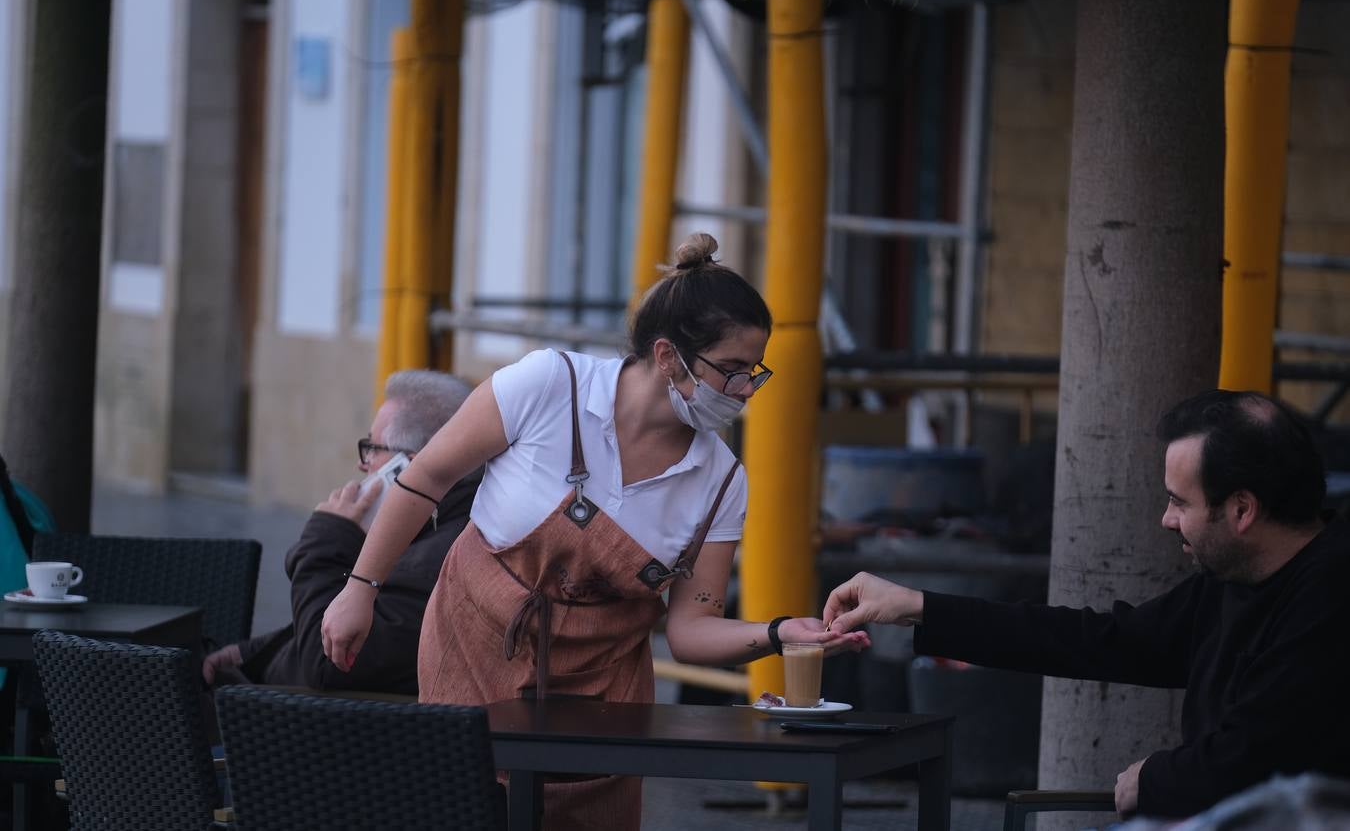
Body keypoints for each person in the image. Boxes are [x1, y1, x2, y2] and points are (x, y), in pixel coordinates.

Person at [322, 233, 869, 829]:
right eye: (731, 370)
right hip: (473, 651)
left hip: (604, 700)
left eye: (754, 373)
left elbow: (690, 631)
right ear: (667, 356)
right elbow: (425, 478)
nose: (743, 390)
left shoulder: (720, 481)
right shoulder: (546, 385)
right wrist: (360, 588)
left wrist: (780, 629)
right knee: (462, 811)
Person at [824, 389, 1350, 821]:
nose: (1166, 520)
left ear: (1241, 509)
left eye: (1179, 502)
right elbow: (1103, 641)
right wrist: (917, 605)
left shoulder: (1329, 598)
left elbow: (1255, 758)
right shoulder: (1238, 575)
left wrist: (1155, 777)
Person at [202, 370, 482, 695]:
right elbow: (362, 619)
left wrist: (327, 540)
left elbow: (329, 665)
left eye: (373, 449)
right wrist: (254, 652)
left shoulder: (443, 557)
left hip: (302, 728)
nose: (363, 466)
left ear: (413, 467)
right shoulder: (443, 527)